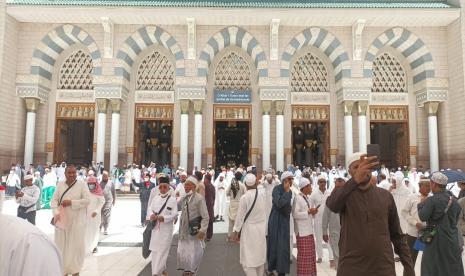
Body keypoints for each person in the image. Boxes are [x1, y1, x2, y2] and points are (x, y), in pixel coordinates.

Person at [326, 153, 415, 276]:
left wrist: (409, 266)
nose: (361, 170)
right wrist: (355, 180)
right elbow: (332, 205)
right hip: (351, 267)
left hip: (383, 267)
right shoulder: (344, 194)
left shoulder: (385, 196)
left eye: (364, 166)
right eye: (356, 167)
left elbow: (397, 235)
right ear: (350, 172)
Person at [418, 172, 464, 276]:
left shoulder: (431, 200)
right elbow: (456, 218)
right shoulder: (454, 201)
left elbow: (422, 216)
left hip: (434, 239)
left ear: (433, 184)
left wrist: (421, 204)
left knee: (432, 266)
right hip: (451, 239)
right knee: (449, 266)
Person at [51, 165, 91, 276]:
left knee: (75, 248)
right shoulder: (60, 185)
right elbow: (53, 201)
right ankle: (63, 271)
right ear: (65, 174)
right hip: (62, 223)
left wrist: (72, 202)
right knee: (61, 247)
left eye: (74, 172)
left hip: (77, 223)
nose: (72, 175)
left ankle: (75, 271)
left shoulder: (82, 185)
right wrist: (56, 213)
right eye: (70, 173)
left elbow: (87, 200)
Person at [232, 173, 267, 276]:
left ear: (246, 185)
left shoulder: (245, 198)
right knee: (260, 258)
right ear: (255, 183)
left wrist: (236, 231)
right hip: (261, 229)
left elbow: (240, 217)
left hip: (249, 231)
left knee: (249, 259)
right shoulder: (262, 194)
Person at [177, 176, 209, 275]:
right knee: (182, 253)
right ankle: (187, 271)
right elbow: (176, 208)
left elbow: (205, 217)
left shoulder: (199, 199)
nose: (186, 187)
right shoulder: (184, 198)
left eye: (188, 185)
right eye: (185, 185)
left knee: (193, 253)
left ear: (194, 186)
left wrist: (202, 230)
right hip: (183, 231)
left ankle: (191, 272)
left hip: (194, 232)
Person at [147, 180, 178, 276]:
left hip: (166, 230)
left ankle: (156, 273)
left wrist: (163, 218)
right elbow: (149, 209)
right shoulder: (155, 198)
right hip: (155, 229)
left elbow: (174, 214)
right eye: (160, 187)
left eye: (165, 187)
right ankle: (156, 272)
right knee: (155, 252)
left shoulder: (172, 200)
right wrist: (151, 215)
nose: (162, 189)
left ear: (168, 187)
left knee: (163, 251)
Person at [267, 171, 293, 276]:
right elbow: (279, 203)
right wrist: (286, 193)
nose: (291, 181)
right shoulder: (277, 189)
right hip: (275, 220)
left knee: (283, 247)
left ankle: (281, 271)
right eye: (290, 179)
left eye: (292, 179)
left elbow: (286, 208)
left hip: (284, 221)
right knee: (274, 245)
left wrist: (287, 193)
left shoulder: (289, 191)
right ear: (284, 180)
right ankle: (271, 268)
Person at [401, 178, 430, 265]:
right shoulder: (412, 197)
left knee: (427, 260)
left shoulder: (432, 198)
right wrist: (415, 223)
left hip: (427, 234)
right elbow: (404, 212)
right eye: (427, 186)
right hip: (413, 234)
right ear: (419, 186)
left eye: (430, 186)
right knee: (411, 259)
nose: (429, 188)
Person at [293, 177, 317, 276]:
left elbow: (309, 213)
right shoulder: (297, 198)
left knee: (311, 256)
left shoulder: (307, 198)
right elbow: (295, 214)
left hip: (309, 231)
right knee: (304, 257)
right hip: (302, 232)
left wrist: (313, 212)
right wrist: (308, 212)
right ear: (304, 187)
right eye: (310, 186)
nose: (311, 188)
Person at [309, 174, 333, 265]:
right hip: (318, 220)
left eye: (324, 182)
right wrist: (313, 212)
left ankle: (331, 258)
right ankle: (319, 256)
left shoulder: (329, 192)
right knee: (318, 238)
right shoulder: (314, 194)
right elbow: (310, 207)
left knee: (329, 238)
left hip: (328, 220)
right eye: (321, 182)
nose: (323, 183)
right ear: (318, 183)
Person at [322, 177, 344, 270]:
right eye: (337, 187)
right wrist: (324, 232)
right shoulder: (330, 199)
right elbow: (325, 217)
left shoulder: (349, 199)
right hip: (334, 231)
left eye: (341, 187)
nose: (339, 189)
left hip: (348, 231)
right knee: (337, 253)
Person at [85, 176, 105, 254]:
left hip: (95, 215)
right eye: (89, 184)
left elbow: (102, 202)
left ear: (95, 184)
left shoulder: (99, 192)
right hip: (86, 215)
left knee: (95, 230)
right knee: (87, 231)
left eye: (92, 184)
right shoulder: (86, 192)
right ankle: (87, 246)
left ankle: (94, 246)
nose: (91, 185)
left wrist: (96, 211)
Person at [226, 171, 247, 241]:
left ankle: (229, 236)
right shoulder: (242, 185)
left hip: (232, 204)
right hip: (239, 204)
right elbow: (245, 195)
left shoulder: (232, 184)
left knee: (231, 221)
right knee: (238, 221)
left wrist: (232, 196)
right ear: (241, 177)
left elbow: (227, 193)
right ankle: (236, 237)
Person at [204, 173, 216, 241]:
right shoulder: (212, 186)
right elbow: (214, 196)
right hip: (210, 204)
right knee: (210, 220)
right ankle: (209, 235)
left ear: (206, 179)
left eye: (205, 179)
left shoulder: (206, 185)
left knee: (206, 219)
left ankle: (206, 235)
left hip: (206, 204)